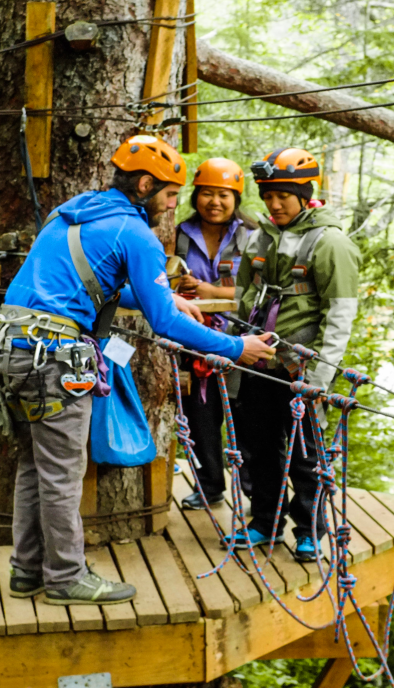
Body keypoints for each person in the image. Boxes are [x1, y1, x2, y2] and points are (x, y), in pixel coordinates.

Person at [0, 135, 275, 606]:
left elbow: (87, 283)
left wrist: (167, 296)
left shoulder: (71, 213)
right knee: (62, 472)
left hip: (11, 347)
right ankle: (64, 577)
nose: (172, 203)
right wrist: (234, 346)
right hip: (54, 357)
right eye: (169, 193)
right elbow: (164, 323)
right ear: (145, 184)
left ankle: (28, 570)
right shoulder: (135, 233)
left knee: (34, 466)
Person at [226, 147, 361, 562]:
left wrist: (320, 381)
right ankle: (264, 521)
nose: (274, 203)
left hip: (300, 369)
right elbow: (242, 298)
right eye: (267, 196)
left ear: (305, 193)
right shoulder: (258, 236)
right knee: (260, 449)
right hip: (257, 363)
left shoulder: (331, 242)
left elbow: (340, 315)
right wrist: (234, 354)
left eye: (282, 195)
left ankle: (309, 529)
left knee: (306, 454)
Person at [170, 157, 258, 511]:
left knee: (246, 416)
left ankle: (254, 489)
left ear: (236, 197)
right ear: (196, 196)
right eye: (207, 194)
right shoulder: (179, 234)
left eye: (223, 194)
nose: (214, 202)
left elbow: (260, 290)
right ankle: (209, 486)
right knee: (200, 416)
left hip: (243, 339)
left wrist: (209, 291)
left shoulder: (253, 236)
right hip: (192, 339)